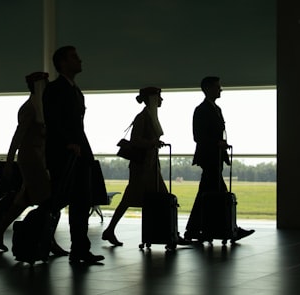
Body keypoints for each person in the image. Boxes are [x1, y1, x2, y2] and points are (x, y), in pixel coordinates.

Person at [0, 71, 66, 255]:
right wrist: (9, 160)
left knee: (24, 201)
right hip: (31, 159)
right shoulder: (30, 108)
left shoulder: (41, 107)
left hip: (38, 158)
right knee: (47, 201)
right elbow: (18, 135)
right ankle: (49, 241)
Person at [42, 46, 104, 265]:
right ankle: (48, 241)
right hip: (65, 154)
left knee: (81, 201)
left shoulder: (74, 90)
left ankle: (80, 248)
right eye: (74, 57)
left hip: (78, 152)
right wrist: (68, 143)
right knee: (65, 200)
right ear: (62, 63)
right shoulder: (56, 89)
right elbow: (54, 120)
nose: (80, 60)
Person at [183, 76, 254, 242]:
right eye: (217, 87)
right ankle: (230, 229)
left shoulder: (216, 109)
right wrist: (217, 143)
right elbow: (198, 136)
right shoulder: (201, 110)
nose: (220, 89)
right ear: (208, 89)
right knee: (219, 194)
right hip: (210, 158)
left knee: (206, 194)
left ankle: (195, 230)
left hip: (215, 158)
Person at [101, 86, 169, 247]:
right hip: (143, 167)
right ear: (153, 99)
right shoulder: (143, 118)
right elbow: (135, 140)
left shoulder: (149, 117)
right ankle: (168, 232)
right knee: (157, 198)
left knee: (146, 198)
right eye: (159, 97)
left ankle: (167, 232)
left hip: (149, 166)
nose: (161, 100)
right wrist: (152, 142)